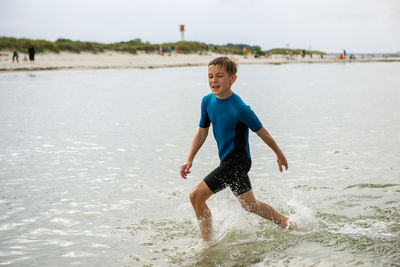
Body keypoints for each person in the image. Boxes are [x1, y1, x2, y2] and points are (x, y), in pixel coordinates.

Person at [180, 57, 296, 243]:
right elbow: (202, 131)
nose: (213, 80)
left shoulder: (240, 108)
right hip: (228, 162)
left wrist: (279, 154)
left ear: (232, 78)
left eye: (219, 76)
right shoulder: (207, 101)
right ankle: (291, 225)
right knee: (250, 205)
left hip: (237, 162)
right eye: (210, 76)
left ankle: (207, 244)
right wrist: (190, 159)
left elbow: (262, 132)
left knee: (196, 196)